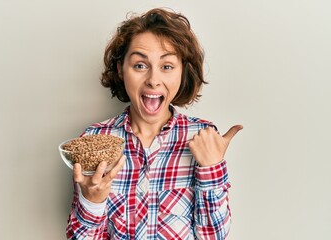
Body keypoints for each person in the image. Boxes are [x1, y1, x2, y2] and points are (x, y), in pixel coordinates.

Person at [66, 8, 243, 240]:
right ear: (121, 70)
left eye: (167, 66)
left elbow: (213, 236)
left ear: (182, 72)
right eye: (140, 65)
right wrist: (92, 201)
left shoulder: (202, 136)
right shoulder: (94, 140)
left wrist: (211, 169)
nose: (153, 80)